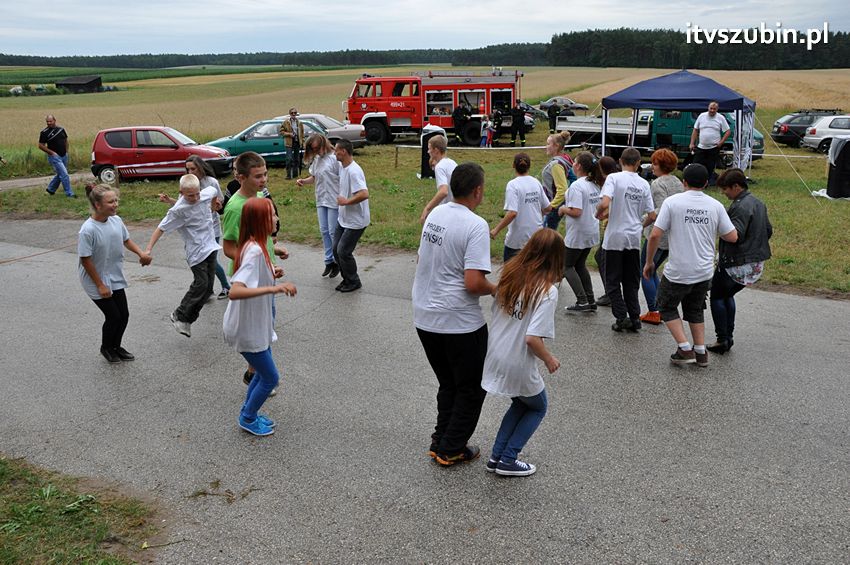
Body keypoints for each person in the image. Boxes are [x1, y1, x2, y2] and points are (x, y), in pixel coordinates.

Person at [413, 162, 495, 467]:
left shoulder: (437, 213)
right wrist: (497, 289)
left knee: (448, 382)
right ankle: (451, 448)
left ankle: (440, 439)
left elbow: (422, 257)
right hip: (458, 322)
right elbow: (473, 283)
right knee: (472, 388)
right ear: (477, 191)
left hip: (425, 314)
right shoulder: (476, 225)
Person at [482, 228, 564, 477]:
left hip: (496, 352)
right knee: (538, 406)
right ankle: (508, 459)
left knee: (521, 403)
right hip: (517, 361)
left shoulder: (510, 274)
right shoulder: (547, 291)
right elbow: (531, 338)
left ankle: (497, 456)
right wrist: (549, 358)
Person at [643, 163, 737, 367]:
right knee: (695, 309)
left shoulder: (673, 203)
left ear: (684, 182)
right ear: (705, 183)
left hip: (679, 269)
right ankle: (700, 352)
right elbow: (732, 235)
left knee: (665, 305)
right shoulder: (715, 205)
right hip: (704, 271)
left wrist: (649, 262)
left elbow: (656, 234)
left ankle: (684, 347)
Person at [223, 197, 296, 437]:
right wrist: (274, 288)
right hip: (246, 328)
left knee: (263, 373)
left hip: (255, 324)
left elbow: (256, 275)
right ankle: (247, 417)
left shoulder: (258, 246)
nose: (277, 219)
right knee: (270, 377)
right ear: (260, 220)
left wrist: (271, 273)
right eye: (273, 215)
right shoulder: (254, 250)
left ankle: (248, 412)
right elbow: (235, 291)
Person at [222, 152, 285, 390]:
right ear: (240, 177)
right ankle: (258, 376)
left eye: (265, 174)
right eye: (258, 176)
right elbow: (228, 248)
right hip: (247, 278)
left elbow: (261, 237)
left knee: (267, 327)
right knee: (255, 331)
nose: (264, 180)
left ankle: (258, 374)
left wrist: (274, 251)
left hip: (263, 271)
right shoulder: (235, 208)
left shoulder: (260, 197)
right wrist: (255, 263)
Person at [78, 184, 150, 363]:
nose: (116, 204)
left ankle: (116, 346)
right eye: (111, 202)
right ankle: (106, 347)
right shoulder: (88, 230)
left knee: (124, 315)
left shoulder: (116, 220)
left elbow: (126, 240)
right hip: (95, 278)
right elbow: (85, 260)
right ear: (97, 205)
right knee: (113, 316)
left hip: (114, 274)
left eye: (116, 200)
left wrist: (141, 253)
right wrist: (100, 285)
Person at [145, 174, 221, 338]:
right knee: (201, 284)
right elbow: (161, 229)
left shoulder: (205, 194)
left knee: (207, 290)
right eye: (190, 195)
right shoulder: (178, 210)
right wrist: (148, 249)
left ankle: (186, 320)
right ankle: (179, 315)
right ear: (181, 192)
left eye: (197, 194)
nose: (195, 198)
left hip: (211, 247)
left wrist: (214, 206)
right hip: (196, 252)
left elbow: (213, 190)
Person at [708, 168, 773, 354]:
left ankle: (723, 339)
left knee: (718, 296)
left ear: (736, 186)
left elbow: (734, 235)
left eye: (725, 189)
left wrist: (718, 228)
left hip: (736, 262)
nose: (724, 193)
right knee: (727, 295)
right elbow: (768, 230)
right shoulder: (758, 203)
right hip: (755, 262)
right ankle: (728, 336)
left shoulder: (739, 206)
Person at [596, 148, 655, 332]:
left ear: (620, 161)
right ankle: (635, 317)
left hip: (614, 237)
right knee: (631, 281)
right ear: (638, 163)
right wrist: (640, 225)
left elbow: (605, 203)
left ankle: (621, 316)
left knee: (612, 279)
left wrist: (599, 212)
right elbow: (652, 215)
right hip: (633, 237)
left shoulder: (614, 178)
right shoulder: (644, 183)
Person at [639, 149, 684, 325]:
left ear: (661, 165)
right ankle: (661, 307)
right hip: (672, 234)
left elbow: (658, 211)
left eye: (655, 163)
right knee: (654, 269)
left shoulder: (657, 184)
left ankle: (654, 310)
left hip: (658, 234)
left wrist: (641, 223)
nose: (652, 166)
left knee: (645, 270)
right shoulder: (677, 182)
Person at [559, 151, 603, 312]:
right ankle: (590, 300)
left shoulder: (577, 186)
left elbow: (576, 211)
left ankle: (582, 300)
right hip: (590, 229)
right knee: (580, 265)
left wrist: (563, 209)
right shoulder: (593, 183)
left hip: (579, 232)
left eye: (575, 162)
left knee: (566, 266)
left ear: (578, 166)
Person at [490, 153, 551, 262]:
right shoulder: (536, 182)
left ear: (513, 165)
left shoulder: (513, 185)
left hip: (518, 239)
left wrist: (496, 230)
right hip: (536, 236)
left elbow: (512, 213)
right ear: (529, 166)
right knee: (532, 273)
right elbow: (547, 208)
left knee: (510, 275)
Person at [297, 134, 341, 278]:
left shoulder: (335, 158)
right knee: (324, 231)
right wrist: (304, 181)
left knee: (333, 231)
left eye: (317, 148)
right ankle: (328, 261)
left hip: (334, 200)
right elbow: (314, 177)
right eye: (313, 149)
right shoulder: (317, 159)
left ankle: (337, 261)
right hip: (321, 199)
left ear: (324, 144)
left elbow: (344, 178)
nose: (316, 151)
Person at [333, 139, 370, 293]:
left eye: (336, 150)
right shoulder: (343, 167)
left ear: (344, 152)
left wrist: (346, 202)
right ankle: (346, 279)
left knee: (343, 251)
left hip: (356, 221)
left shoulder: (354, 171)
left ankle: (354, 281)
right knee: (335, 250)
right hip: (343, 219)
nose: (334, 153)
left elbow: (364, 194)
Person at [594, 156, 620, 307]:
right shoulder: (618, 179)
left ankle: (611, 293)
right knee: (602, 258)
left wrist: (600, 213)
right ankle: (610, 291)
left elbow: (605, 204)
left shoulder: (610, 182)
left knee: (602, 258)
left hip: (613, 228)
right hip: (615, 225)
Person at [541, 131, 576, 231]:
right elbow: (572, 178)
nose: (546, 147)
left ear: (556, 146)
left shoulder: (556, 164)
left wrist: (551, 207)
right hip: (557, 204)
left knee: (546, 236)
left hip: (553, 205)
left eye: (548, 144)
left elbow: (562, 189)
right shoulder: (565, 158)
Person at [689, 101, 731, 184]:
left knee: (710, 166)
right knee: (696, 165)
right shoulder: (701, 116)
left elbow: (728, 131)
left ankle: (707, 182)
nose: (712, 110)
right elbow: (695, 130)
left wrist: (721, 142)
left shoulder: (720, 118)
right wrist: (692, 143)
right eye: (711, 108)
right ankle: (694, 181)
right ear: (708, 108)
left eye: (714, 109)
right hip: (701, 147)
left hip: (713, 148)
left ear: (717, 109)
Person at [419, 134, 457, 224]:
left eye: (429, 149)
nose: (428, 152)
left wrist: (427, 208)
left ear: (436, 150)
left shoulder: (440, 167)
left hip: (448, 211)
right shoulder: (452, 162)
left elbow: (443, 191)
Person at [38, 114, 75, 197]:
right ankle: (69, 194)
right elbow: (41, 145)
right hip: (54, 157)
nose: (49, 123)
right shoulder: (44, 133)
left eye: (50, 121)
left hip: (64, 155)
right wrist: (51, 153)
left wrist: (66, 151)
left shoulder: (61, 129)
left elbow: (65, 140)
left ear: (55, 120)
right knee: (64, 174)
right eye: (47, 122)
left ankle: (50, 189)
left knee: (60, 174)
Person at [280, 107, 305, 180]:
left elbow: (302, 134)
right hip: (289, 143)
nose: (293, 114)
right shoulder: (286, 122)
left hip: (297, 142)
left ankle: (295, 175)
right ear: (289, 114)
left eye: (295, 113)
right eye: (292, 113)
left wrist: (303, 143)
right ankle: (288, 175)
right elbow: (281, 132)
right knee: (289, 159)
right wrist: (289, 134)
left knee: (296, 159)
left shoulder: (300, 123)